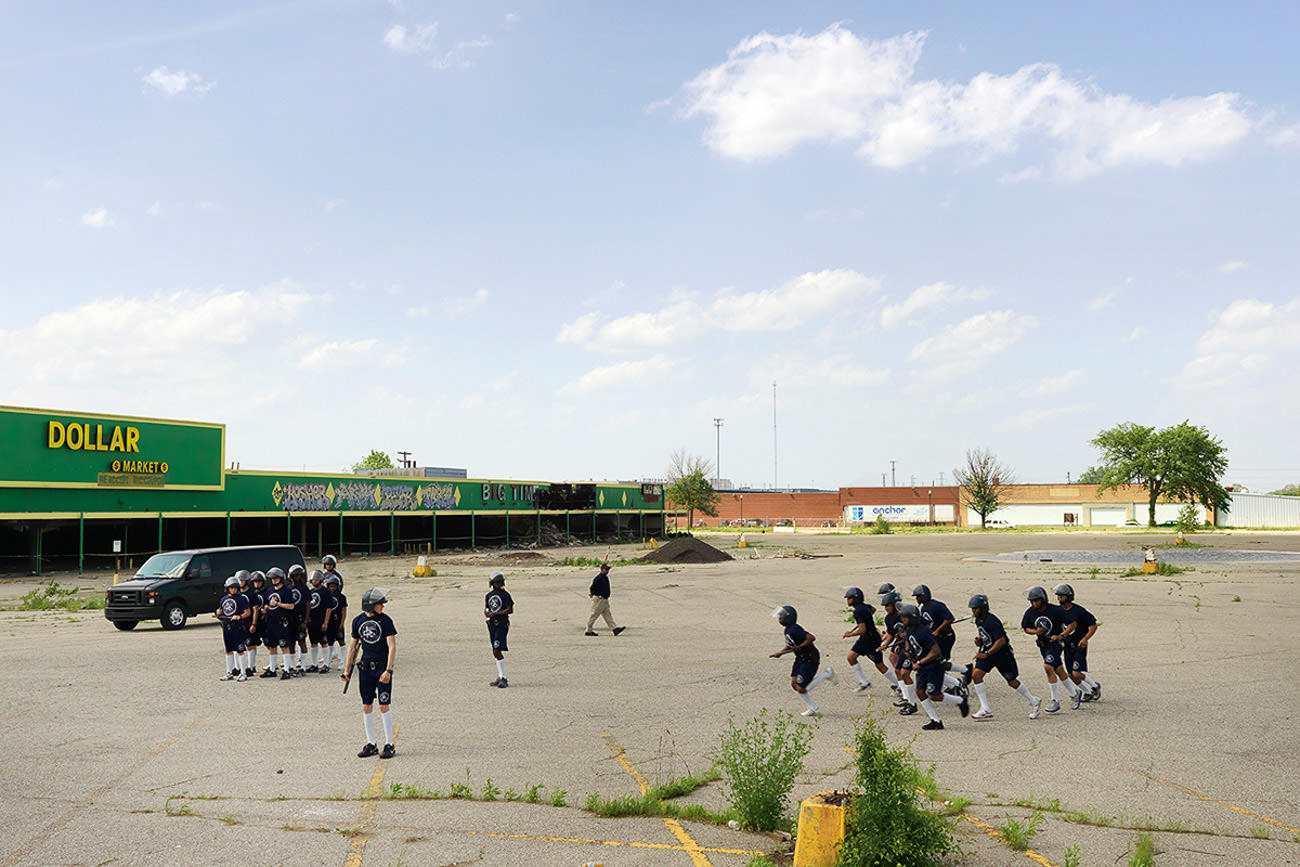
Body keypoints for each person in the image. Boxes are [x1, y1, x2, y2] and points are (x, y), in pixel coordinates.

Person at [341, 587, 397, 759]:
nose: (383, 607)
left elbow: (392, 646)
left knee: (383, 705)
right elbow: (352, 647)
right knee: (366, 705)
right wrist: (347, 669)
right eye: (380, 604)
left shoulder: (385, 621)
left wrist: (389, 669)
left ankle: (389, 744)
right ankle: (371, 743)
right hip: (365, 669)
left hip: (381, 668)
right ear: (370, 605)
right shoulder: (358, 621)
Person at [967, 594, 1042, 720]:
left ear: (983, 608)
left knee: (1012, 681)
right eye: (972, 609)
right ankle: (985, 708)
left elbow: (1001, 640)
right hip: (988, 652)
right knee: (976, 675)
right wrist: (980, 640)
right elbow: (987, 635)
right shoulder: (978, 620)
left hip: (1002, 655)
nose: (973, 611)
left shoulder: (992, 621)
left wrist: (987, 653)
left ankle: (1033, 700)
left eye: (976, 609)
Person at [898, 602, 968, 730]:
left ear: (912, 617)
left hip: (934, 666)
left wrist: (919, 662)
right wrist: (907, 650)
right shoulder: (909, 629)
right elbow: (910, 642)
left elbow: (936, 651)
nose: (902, 619)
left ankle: (960, 701)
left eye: (904, 617)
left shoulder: (923, 632)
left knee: (935, 696)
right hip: (923, 667)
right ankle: (935, 721)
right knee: (920, 692)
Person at [1021, 586, 1084, 712]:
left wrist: (1061, 635)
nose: (1034, 603)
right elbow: (1025, 627)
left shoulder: (1055, 610)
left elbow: (1073, 624)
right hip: (1043, 645)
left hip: (1054, 643)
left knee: (1048, 667)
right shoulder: (1030, 612)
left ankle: (1055, 701)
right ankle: (1074, 694)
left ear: (1043, 599)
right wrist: (1035, 631)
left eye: (1036, 600)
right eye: (1032, 601)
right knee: (1058, 669)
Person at [769, 605, 834, 717]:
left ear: (789, 617)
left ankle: (826, 675)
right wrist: (780, 653)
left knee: (801, 687)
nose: (779, 618)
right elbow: (790, 646)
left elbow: (811, 638)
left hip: (810, 658)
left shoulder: (795, 629)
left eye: (781, 616)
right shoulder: (787, 630)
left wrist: (800, 646)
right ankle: (812, 708)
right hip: (800, 658)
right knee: (794, 684)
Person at [842, 586, 899, 694]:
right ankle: (865, 681)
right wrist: (867, 619)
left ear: (855, 598)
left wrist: (851, 634)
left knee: (856, 659)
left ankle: (898, 684)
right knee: (873, 663)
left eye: (849, 598)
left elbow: (862, 630)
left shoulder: (858, 611)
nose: (847, 600)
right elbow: (873, 609)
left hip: (868, 639)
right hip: (872, 637)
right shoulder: (865, 607)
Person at [912, 584, 968, 692]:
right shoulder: (924, 608)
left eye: (918, 596)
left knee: (939, 662)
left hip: (945, 637)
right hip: (935, 638)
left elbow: (949, 618)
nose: (917, 599)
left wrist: (937, 631)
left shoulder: (937, 605)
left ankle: (957, 682)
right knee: (938, 662)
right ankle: (958, 676)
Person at [1054, 584, 1101, 701]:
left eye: (1062, 596)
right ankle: (1088, 692)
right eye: (1058, 596)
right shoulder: (1058, 611)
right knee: (1070, 675)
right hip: (1067, 646)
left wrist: (1085, 638)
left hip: (1079, 645)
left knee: (1076, 673)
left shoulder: (1079, 611)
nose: (1059, 598)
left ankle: (1095, 686)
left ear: (1069, 596)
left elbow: (1093, 625)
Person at [881, 590, 917, 715]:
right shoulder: (888, 618)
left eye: (888, 606)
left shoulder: (905, 614)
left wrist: (906, 645)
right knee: (899, 671)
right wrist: (885, 644)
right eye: (885, 606)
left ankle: (954, 684)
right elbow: (891, 633)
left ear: (895, 604)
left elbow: (912, 631)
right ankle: (907, 698)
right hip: (903, 647)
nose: (886, 608)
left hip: (912, 646)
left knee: (924, 670)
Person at [261, 567, 296, 680]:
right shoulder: (269, 590)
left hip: (282, 621)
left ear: (281, 578)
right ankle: (272, 669)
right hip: (271, 621)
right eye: (272, 578)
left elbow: (291, 606)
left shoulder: (286, 590)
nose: (273, 580)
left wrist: (278, 604)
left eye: (275, 578)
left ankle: (286, 669)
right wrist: (266, 608)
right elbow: (267, 603)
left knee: (284, 645)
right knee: (272, 646)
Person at [216, 576, 251, 681]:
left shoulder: (242, 599)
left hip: (238, 627)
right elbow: (221, 611)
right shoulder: (223, 599)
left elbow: (248, 612)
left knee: (240, 650)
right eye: (231, 588)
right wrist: (218, 612)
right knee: (229, 651)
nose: (233, 590)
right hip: (227, 627)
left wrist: (239, 616)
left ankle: (243, 673)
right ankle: (229, 672)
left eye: (235, 588)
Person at [485, 572, 513, 688]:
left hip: (502, 623)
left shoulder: (505, 595)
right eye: (496, 582)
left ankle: (504, 678)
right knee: (494, 650)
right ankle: (500, 675)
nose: (498, 584)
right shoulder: (488, 596)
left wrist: (497, 613)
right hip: (492, 624)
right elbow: (486, 609)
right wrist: (488, 614)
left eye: (500, 582)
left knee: (497, 650)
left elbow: (510, 609)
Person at [584, 562, 626, 636]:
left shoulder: (605, 577)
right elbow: (592, 587)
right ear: (602, 569)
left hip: (604, 600)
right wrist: (592, 593)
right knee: (594, 615)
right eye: (606, 569)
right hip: (599, 599)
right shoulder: (598, 578)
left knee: (607, 615)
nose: (607, 571)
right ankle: (588, 630)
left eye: (608, 569)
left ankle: (614, 629)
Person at [305, 570, 330, 672]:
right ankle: (314, 664)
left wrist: (326, 622)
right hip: (312, 621)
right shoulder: (311, 592)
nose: (314, 581)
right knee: (313, 643)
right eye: (313, 580)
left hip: (321, 620)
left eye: (316, 579)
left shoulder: (325, 592)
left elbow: (329, 608)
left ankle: (326, 664)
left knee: (324, 642)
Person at [288, 564, 309, 676]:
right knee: (291, 644)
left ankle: (303, 666)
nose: (296, 578)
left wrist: (305, 621)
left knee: (302, 642)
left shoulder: (304, 589)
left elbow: (308, 605)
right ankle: (292, 666)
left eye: (298, 576)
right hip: (291, 620)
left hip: (301, 619)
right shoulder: (288, 589)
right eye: (294, 576)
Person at [322, 574, 344, 673]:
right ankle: (329, 660)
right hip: (329, 622)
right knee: (329, 641)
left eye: (334, 586)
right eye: (331, 586)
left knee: (341, 641)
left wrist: (342, 623)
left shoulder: (341, 597)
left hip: (337, 621)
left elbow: (344, 610)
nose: (332, 588)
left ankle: (344, 661)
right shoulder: (327, 596)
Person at [247, 571, 267, 676]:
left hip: (264, 621)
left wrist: (267, 608)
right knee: (251, 643)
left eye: (259, 582)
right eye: (255, 582)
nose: (257, 584)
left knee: (269, 643)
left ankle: (273, 663)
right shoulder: (251, 593)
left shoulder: (266, 592)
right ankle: (252, 665)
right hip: (254, 620)